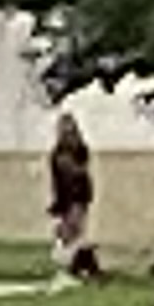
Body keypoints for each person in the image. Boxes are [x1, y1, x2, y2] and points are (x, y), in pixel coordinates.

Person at [46, 112, 98, 282]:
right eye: (63, 128)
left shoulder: (79, 149)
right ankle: (79, 264)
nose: (66, 131)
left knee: (75, 229)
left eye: (69, 127)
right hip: (67, 195)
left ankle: (80, 264)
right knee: (71, 229)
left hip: (78, 195)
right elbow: (58, 177)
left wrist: (75, 171)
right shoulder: (57, 153)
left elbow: (80, 170)